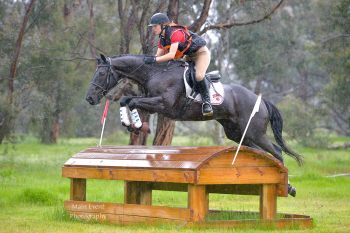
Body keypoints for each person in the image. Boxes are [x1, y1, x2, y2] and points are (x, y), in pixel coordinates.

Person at [144, 13, 213, 116]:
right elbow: (157, 56)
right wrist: (150, 61)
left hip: (201, 54)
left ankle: (207, 103)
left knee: (199, 75)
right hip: (189, 56)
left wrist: (154, 60)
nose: (153, 29)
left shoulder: (175, 33)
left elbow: (171, 55)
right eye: (152, 27)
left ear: (163, 25)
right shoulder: (162, 38)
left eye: (155, 26)